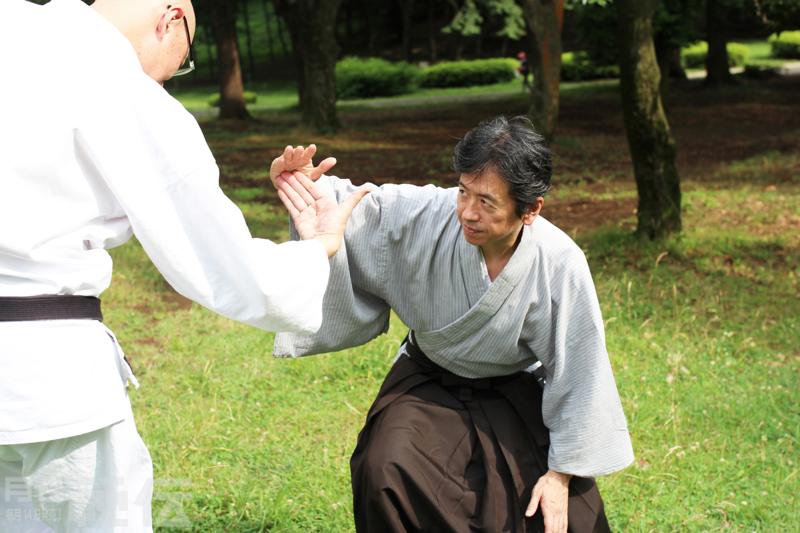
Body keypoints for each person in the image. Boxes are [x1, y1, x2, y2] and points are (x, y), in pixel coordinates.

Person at [0, 0, 367, 531]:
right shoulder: (119, 82)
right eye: (185, 60)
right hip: (48, 386)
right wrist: (317, 246)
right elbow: (218, 258)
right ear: (172, 19)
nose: (172, 77)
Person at [273, 116, 634, 532]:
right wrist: (300, 184)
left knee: (562, 518)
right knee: (384, 469)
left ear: (530, 209)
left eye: (487, 202)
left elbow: (580, 372)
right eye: (463, 191)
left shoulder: (559, 261)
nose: (467, 212)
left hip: (514, 390)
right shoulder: (427, 213)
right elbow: (349, 205)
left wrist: (560, 476)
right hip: (429, 379)